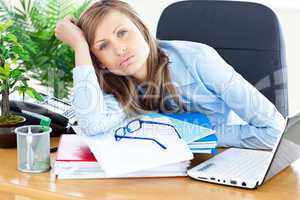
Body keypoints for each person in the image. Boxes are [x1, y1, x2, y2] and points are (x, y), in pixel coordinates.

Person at [55, 0, 285, 149]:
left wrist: (194, 135)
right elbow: (93, 125)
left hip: (223, 159)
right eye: (103, 46)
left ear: (142, 30)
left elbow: (275, 131)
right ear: (100, 63)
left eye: (123, 33)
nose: (119, 49)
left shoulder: (199, 60)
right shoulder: (114, 85)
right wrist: (80, 46)